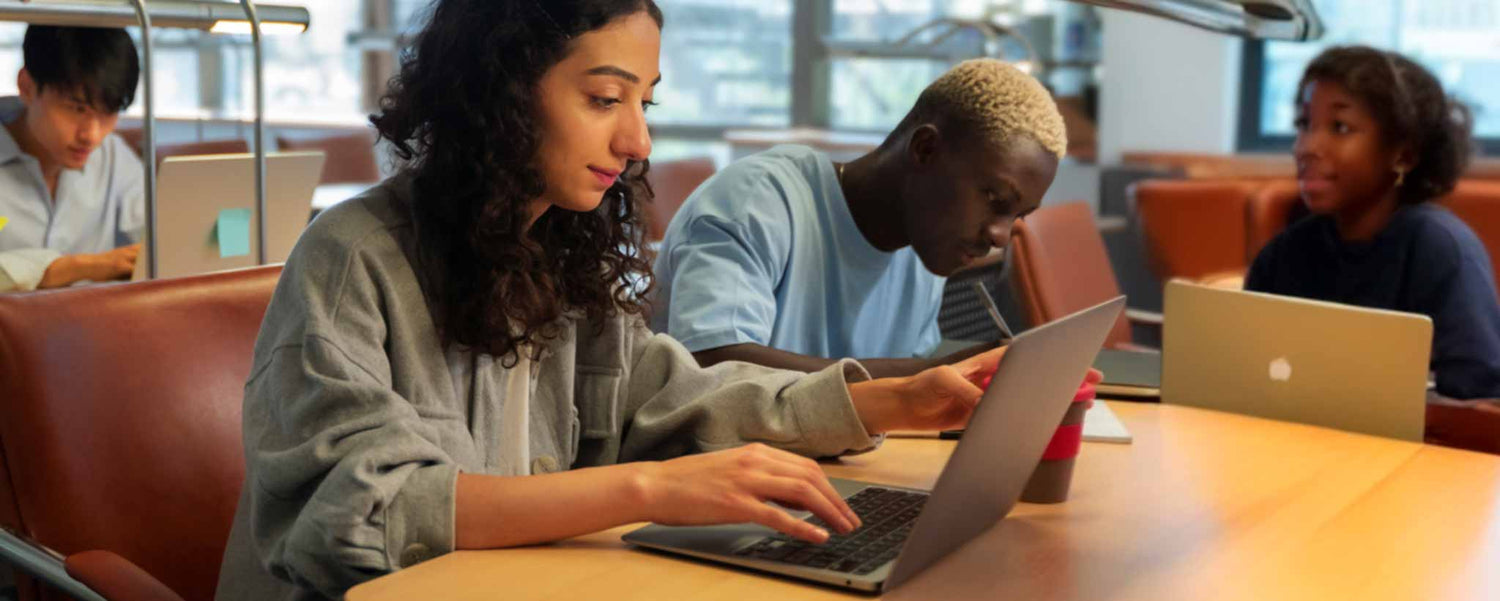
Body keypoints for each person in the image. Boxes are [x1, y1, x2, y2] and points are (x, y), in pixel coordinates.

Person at [213, 2, 1095, 599]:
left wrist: (893, 399)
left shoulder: (555, 253)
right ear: (497, 91)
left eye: (644, 102)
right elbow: (367, 513)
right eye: (604, 98)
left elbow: (671, 397)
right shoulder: (351, 259)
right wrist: (648, 487)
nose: (636, 139)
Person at [648, 58, 1065, 378]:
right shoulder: (758, 201)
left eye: (1018, 217)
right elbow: (712, 365)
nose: (999, 235)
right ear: (924, 149)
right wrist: (930, 378)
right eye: (994, 198)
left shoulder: (926, 254)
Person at [1246, 46, 1500, 401]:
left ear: (1403, 154)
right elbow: (1245, 370)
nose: (1306, 147)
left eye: (1340, 127)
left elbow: (1478, 397)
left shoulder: (1440, 249)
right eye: (1304, 124)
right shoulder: (1285, 253)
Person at [0, 25, 143, 292]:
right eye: (77, 109)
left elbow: (155, 238)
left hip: (96, 329)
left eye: (109, 112)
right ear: (27, 87)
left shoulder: (113, 155)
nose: (92, 135)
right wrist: (78, 268)